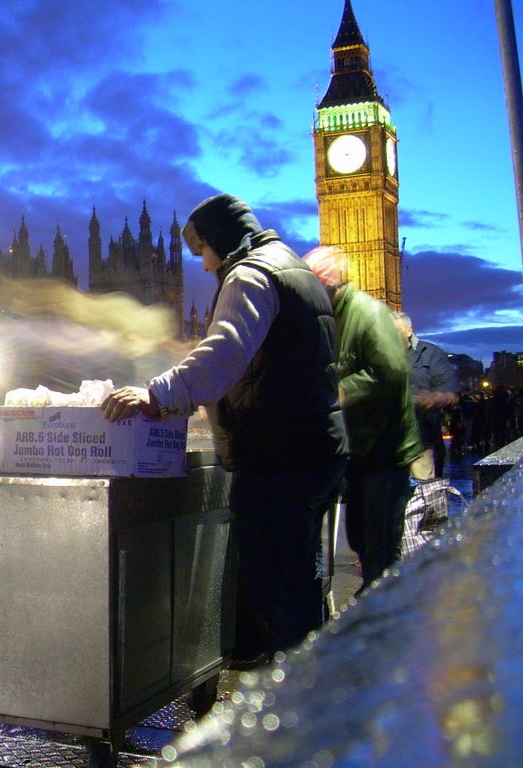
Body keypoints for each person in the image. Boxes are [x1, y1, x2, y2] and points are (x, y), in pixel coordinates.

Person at [101, 194, 348, 663]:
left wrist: (158, 395)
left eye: (203, 254)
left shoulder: (251, 273)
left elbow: (225, 351)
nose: (204, 267)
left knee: (278, 590)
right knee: (303, 578)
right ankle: (317, 685)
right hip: (316, 450)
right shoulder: (294, 268)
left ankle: (307, 708)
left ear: (220, 243)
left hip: (280, 458)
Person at [304, 247, 423, 593]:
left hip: (387, 451)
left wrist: (341, 391)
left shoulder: (369, 314)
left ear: (331, 285)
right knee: (358, 534)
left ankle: (383, 623)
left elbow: (391, 371)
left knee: (380, 542)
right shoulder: (329, 319)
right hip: (358, 451)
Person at [392, 311, 459, 478]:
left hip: (421, 439)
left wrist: (431, 399)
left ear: (409, 331)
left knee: (424, 491)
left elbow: (450, 391)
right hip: (385, 442)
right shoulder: (377, 355)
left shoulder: (430, 354)